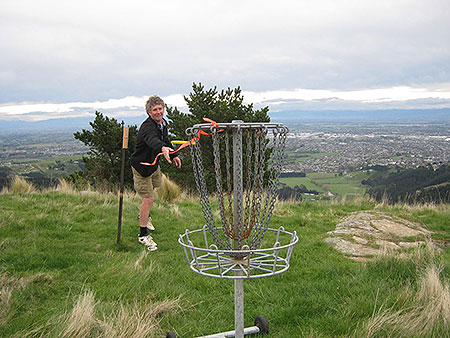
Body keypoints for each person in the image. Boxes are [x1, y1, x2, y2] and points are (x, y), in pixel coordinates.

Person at [130, 96, 181, 250]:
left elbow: (165, 140)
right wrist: (162, 148)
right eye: (155, 110)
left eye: (160, 109)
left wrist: (173, 154)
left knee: (153, 191)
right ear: (149, 112)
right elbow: (153, 140)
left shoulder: (162, 123)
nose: (159, 112)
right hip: (142, 167)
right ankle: (143, 235)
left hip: (153, 165)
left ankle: (144, 216)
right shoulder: (147, 128)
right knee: (148, 199)